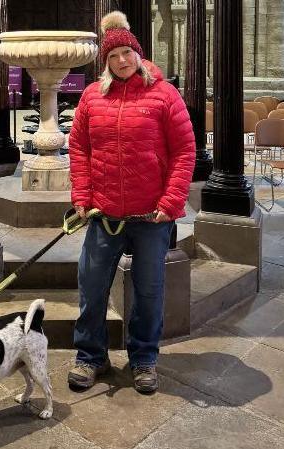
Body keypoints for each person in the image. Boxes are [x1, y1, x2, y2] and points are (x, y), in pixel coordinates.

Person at [67, 11, 196, 394]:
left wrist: (171, 200)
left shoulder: (163, 93)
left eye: (127, 52)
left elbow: (185, 150)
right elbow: (79, 147)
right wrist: (82, 195)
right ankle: (91, 356)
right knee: (91, 286)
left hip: (151, 215)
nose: (121, 60)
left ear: (137, 53)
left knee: (149, 290)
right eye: (113, 55)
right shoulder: (92, 95)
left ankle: (143, 359)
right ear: (105, 61)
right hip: (103, 213)